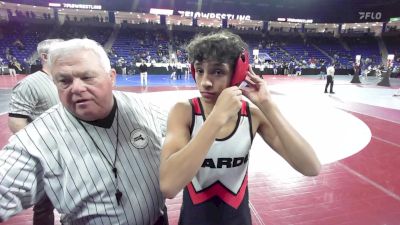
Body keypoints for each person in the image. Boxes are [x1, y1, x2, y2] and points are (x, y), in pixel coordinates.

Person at [0, 38, 168, 225]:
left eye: (87, 77)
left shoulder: (145, 109)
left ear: (111, 77)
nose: (77, 88)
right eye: (64, 81)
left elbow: (187, 131)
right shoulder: (37, 139)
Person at [159, 31, 321, 225]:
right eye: (200, 70)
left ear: (236, 74)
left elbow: (311, 167)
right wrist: (217, 118)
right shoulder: (184, 112)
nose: (205, 82)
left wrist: (269, 106)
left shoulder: (252, 115)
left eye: (217, 71)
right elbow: (169, 186)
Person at [7, 38, 63, 225]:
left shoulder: (63, 79)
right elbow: (16, 122)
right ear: (45, 56)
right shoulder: (30, 84)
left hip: (69, 149)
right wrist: (36, 150)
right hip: (46, 153)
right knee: (44, 205)